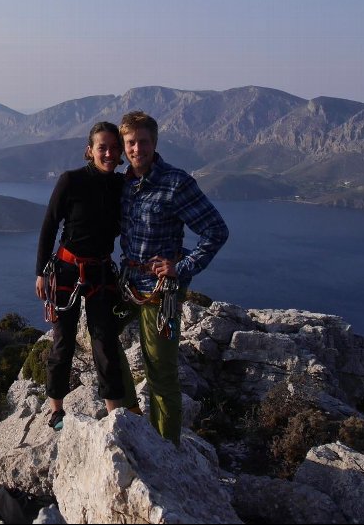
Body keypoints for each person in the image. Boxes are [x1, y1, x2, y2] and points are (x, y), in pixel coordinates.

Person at [117, 110, 229, 444]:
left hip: (162, 291)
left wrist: (181, 267)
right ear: (124, 147)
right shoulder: (123, 184)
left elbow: (215, 230)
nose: (138, 149)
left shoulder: (176, 183)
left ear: (155, 143)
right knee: (102, 336)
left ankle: (166, 447)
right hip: (127, 283)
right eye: (131, 143)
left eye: (144, 142)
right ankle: (131, 415)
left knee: (159, 369)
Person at [35, 121, 129, 430]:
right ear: (89, 151)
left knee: (105, 342)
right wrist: (40, 273)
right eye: (103, 147)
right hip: (66, 271)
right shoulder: (70, 181)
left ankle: (115, 414)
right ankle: (56, 409)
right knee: (63, 343)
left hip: (100, 271)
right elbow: (50, 225)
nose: (110, 153)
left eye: (115, 148)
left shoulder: (120, 185)